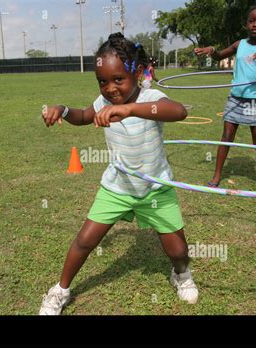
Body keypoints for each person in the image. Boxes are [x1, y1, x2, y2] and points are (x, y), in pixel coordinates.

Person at [40, 33, 195, 315]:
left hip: (155, 189)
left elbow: (179, 111)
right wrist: (62, 110)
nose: (110, 89)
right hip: (117, 187)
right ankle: (59, 291)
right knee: (85, 240)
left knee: (178, 251)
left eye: (118, 80)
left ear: (136, 72)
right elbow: (83, 116)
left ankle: (181, 275)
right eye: (102, 81)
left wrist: (129, 109)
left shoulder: (150, 97)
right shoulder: (103, 102)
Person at [194, 6, 256, 191]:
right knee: (226, 137)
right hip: (235, 99)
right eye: (251, 20)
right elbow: (219, 56)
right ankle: (217, 176)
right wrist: (211, 50)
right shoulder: (239, 44)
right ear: (246, 23)